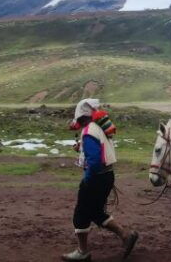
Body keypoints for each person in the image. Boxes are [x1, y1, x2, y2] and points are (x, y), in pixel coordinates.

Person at [62, 98, 138, 262]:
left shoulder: (88, 131)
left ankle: (82, 252)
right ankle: (126, 235)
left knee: (81, 214)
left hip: (95, 178)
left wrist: (87, 180)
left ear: (82, 118)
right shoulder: (100, 128)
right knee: (95, 212)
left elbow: (95, 160)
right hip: (106, 175)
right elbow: (100, 150)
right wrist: (82, 147)